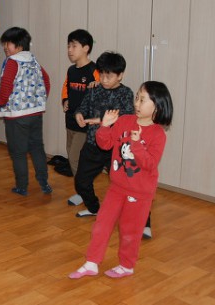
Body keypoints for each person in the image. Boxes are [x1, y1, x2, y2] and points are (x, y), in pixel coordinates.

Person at [68, 81, 173, 279]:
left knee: (129, 231)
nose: (137, 103)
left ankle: (126, 266)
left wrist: (136, 144)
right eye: (137, 98)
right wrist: (105, 126)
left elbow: (150, 164)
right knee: (101, 224)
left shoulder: (158, 134)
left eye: (142, 100)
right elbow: (105, 144)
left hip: (139, 193)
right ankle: (91, 262)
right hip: (117, 187)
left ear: (157, 107)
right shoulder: (125, 121)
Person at [70, 51, 134, 217]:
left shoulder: (126, 93)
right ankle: (94, 209)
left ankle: (143, 220)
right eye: (102, 75)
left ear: (120, 75)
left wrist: (100, 121)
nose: (104, 80)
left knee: (128, 184)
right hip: (93, 144)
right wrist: (79, 114)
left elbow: (127, 117)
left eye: (109, 76)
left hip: (116, 148)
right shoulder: (94, 90)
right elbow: (83, 107)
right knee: (81, 181)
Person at [0, 27, 51, 196]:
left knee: (18, 152)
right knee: (37, 148)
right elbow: (46, 81)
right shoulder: (34, 61)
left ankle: (22, 186)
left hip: (17, 116)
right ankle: (44, 183)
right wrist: (38, 101)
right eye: (4, 43)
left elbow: (6, 86)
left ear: (19, 46)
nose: (5, 47)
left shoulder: (12, 62)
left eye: (8, 43)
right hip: (35, 114)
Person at [60, 29, 99, 189]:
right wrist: (65, 100)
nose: (69, 50)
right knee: (71, 155)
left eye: (74, 46)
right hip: (70, 121)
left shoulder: (94, 70)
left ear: (86, 48)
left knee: (75, 157)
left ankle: (84, 189)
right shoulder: (71, 70)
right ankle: (83, 188)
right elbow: (65, 87)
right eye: (68, 46)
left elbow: (103, 91)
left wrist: (98, 86)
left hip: (85, 124)